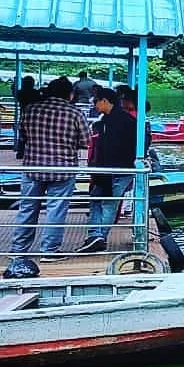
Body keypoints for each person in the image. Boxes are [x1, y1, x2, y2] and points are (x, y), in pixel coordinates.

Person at [11, 76, 91, 259]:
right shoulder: (75, 113)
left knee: (27, 209)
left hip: (33, 167)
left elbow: (22, 135)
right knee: (56, 210)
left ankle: (18, 251)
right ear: (70, 95)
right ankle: (49, 251)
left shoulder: (31, 109)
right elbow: (86, 141)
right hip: (63, 169)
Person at [77, 89, 139, 253]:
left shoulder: (117, 121)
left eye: (96, 101)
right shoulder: (110, 120)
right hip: (106, 170)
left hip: (117, 170)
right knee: (97, 199)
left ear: (105, 101)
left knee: (108, 203)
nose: (94, 105)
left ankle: (99, 236)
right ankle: (95, 235)